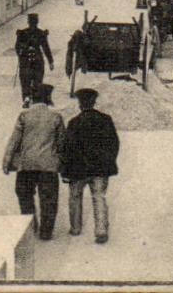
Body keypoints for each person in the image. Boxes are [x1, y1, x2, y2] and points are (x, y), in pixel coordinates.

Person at [3, 83, 65, 239]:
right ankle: (46, 232)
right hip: (48, 166)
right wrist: (62, 164)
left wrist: (7, 161)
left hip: (26, 165)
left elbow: (14, 141)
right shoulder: (56, 117)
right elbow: (61, 144)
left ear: (32, 98)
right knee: (49, 199)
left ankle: (30, 227)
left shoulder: (24, 116)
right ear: (48, 98)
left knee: (25, 196)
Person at [61, 88, 119, 243]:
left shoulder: (74, 122)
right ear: (94, 102)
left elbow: (68, 148)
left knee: (75, 197)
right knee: (99, 197)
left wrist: (65, 169)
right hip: (100, 168)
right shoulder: (105, 120)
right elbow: (114, 143)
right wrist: (109, 161)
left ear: (80, 104)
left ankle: (75, 227)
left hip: (78, 169)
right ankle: (101, 230)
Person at [15, 14, 54, 105]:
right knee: (37, 81)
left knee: (25, 81)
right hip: (38, 60)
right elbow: (46, 48)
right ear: (37, 22)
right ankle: (35, 98)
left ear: (28, 22)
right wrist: (50, 62)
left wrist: (21, 53)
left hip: (25, 61)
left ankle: (26, 98)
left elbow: (17, 47)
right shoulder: (41, 33)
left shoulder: (22, 33)